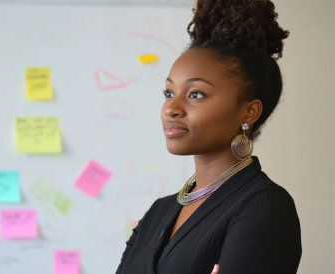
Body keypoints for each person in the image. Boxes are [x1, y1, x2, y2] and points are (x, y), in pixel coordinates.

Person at [116, 0, 302, 273]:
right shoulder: (158, 212)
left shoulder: (264, 206)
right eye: (169, 93)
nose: (171, 108)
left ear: (249, 112)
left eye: (196, 94)